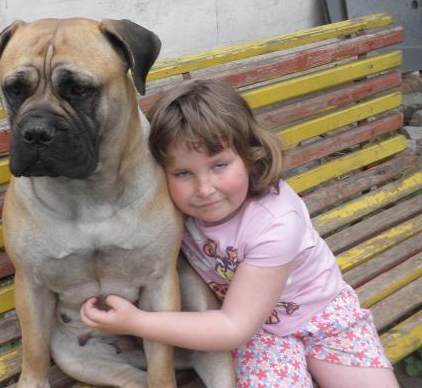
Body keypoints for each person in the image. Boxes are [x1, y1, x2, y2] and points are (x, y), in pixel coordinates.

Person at [80, 79, 397, 387]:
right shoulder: (174, 209)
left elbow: (233, 327)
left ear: (249, 155)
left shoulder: (276, 223)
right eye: (183, 173)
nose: (204, 189)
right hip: (260, 335)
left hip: (322, 316)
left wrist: (136, 322)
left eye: (219, 165)